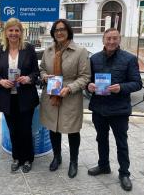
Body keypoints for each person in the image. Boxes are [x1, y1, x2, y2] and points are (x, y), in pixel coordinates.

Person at [87, 28, 142, 191]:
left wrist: (121, 88)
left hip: (119, 109)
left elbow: (137, 83)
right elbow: (87, 81)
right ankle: (103, 165)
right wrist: (88, 86)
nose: (111, 42)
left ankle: (124, 173)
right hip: (99, 108)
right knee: (101, 139)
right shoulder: (94, 58)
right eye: (108, 38)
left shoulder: (129, 59)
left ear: (119, 40)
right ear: (103, 40)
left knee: (121, 142)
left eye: (114, 38)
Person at [40, 19, 90, 178]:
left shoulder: (80, 51)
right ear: (53, 33)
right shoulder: (48, 50)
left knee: (72, 130)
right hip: (51, 95)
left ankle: (73, 162)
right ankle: (57, 157)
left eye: (62, 29)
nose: (59, 32)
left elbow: (85, 76)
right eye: (56, 30)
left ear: (68, 31)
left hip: (70, 97)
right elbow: (41, 69)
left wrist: (69, 88)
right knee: (53, 128)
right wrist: (45, 76)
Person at [0, 17, 39, 173]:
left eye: (16, 30)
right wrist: (1, 82)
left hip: (25, 96)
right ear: (5, 32)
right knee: (13, 130)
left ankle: (28, 159)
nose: (13, 33)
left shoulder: (29, 49)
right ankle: (16, 157)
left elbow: (36, 72)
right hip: (7, 98)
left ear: (21, 33)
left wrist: (28, 78)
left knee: (25, 129)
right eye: (10, 30)